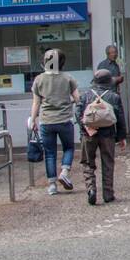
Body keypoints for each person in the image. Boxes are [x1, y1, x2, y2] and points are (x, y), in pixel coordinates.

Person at [31, 49, 81, 195]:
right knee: (69, 148)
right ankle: (64, 172)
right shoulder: (67, 78)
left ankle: (52, 185)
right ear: (62, 62)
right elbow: (78, 99)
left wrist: (33, 119)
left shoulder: (39, 79)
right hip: (65, 119)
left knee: (50, 153)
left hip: (46, 121)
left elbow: (36, 103)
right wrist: (69, 101)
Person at [77, 68, 125, 206]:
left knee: (87, 162)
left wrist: (85, 129)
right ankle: (108, 194)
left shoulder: (85, 95)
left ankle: (91, 189)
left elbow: (78, 113)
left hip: (89, 134)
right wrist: (121, 136)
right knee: (108, 162)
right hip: (108, 134)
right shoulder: (114, 96)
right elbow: (120, 117)